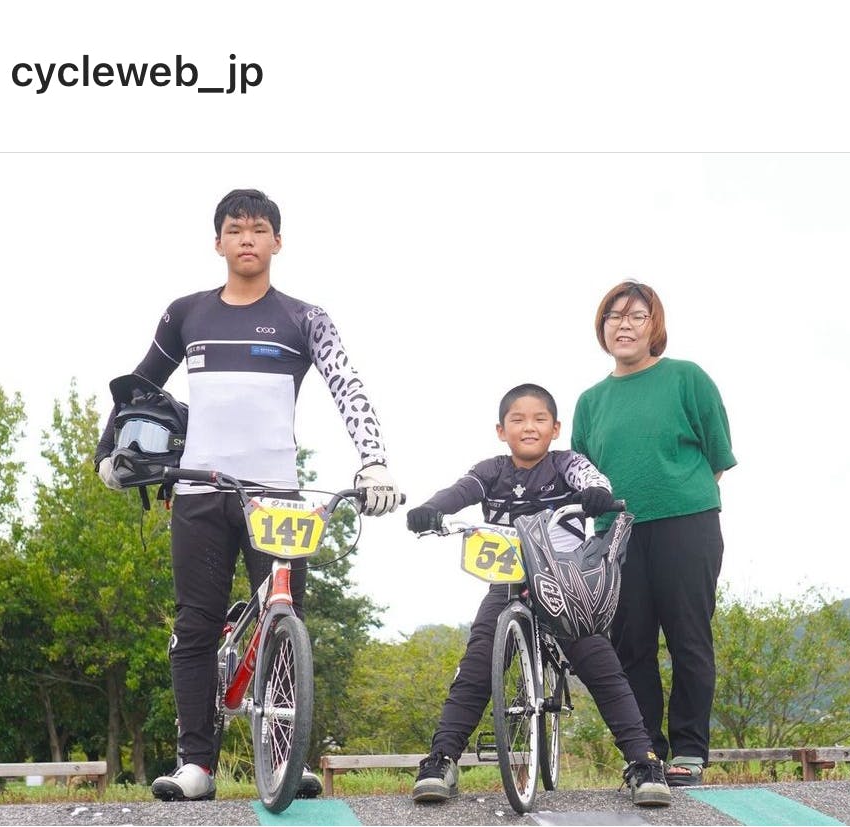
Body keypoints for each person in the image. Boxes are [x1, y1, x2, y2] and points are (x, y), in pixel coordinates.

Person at [93, 189, 401, 802]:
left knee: (287, 616)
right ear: (218, 242)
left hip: (277, 496)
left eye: (259, 230)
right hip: (200, 490)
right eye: (235, 230)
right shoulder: (186, 314)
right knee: (196, 624)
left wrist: (374, 462)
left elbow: (348, 387)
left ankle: (286, 757)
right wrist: (108, 453)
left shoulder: (305, 318)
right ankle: (196, 765)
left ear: (277, 241)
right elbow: (140, 385)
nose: (247, 239)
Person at [406, 383, 671, 808]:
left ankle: (644, 762)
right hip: (507, 582)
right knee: (478, 663)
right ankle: (441, 761)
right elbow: (460, 490)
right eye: (517, 419)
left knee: (599, 661)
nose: (528, 427)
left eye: (539, 419)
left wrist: (597, 495)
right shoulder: (490, 471)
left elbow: (592, 479)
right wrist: (432, 508)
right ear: (501, 430)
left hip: (564, 582)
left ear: (555, 428)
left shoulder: (567, 464)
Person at [570, 279, 735, 787]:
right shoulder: (590, 401)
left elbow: (717, 457)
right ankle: (645, 754)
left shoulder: (687, 378)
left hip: (687, 525)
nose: (624, 325)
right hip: (616, 535)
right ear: (602, 327)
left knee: (689, 637)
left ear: (654, 326)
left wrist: (677, 500)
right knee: (630, 645)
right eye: (613, 316)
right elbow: (582, 475)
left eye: (636, 316)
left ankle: (689, 749)